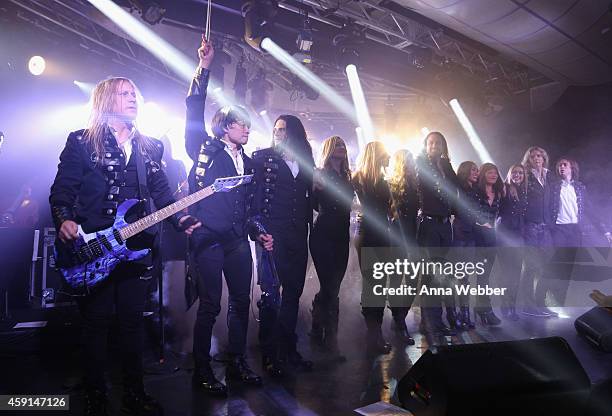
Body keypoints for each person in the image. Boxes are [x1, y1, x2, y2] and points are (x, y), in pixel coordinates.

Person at [49, 77, 200, 416]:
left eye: (135, 93)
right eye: (125, 93)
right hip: (94, 249)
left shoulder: (149, 146)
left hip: (135, 248)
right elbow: (62, 190)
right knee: (97, 323)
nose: (133, 98)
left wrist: (181, 220)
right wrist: (64, 219)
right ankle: (95, 394)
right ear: (106, 100)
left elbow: (163, 195)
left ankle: (135, 392)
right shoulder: (81, 142)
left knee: (132, 322)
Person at [184, 38, 271, 394]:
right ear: (224, 126)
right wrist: (203, 69)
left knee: (239, 302)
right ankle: (202, 371)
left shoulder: (248, 163)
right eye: (240, 124)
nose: (247, 129)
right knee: (209, 306)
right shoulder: (204, 148)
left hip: (236, 241)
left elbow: (249, 209)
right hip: (208, 240)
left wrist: (259, 230)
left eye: (248, 125)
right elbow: (193, 109)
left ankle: (236, 363)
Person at [250, 114, 315, 376]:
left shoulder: (306, 162)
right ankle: (269, 354)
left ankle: (288, 349)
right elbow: (253, 200)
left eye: (284, 129)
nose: (278, 133)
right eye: (276, 129)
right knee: (270, 297)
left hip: (299, 235)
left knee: (293, 294)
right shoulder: (261, 158)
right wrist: (258, 232)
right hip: (272, 236)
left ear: (295, 133)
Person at [309, 136, 354, 358]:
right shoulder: (319, 173)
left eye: (343, 145)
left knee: (332, 286)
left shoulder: (348, 176)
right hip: (323, 235)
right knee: (331, 287)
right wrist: (315, 188)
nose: (341, 148)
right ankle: (331, 340)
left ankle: (317, 325)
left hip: (341, 236)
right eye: (337, 145)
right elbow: (312, 206)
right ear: (328, 149)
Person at [415, 132, 459, 340]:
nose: (434, 145)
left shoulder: (446, 165)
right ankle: (432, 322)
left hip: (445, 224)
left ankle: (431, 320)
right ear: (425, 145)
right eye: (431, 142)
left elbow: (459, 188)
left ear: (443, 145)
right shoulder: (420, 163)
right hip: (429, 223)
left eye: (438, 142)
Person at [353, 141, 396, 353]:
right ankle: (373, 335)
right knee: (373, 284)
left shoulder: (382, 180)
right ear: (376, 154)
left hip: (381, 234)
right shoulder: (358, 179)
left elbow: (389, 210)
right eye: (384, 153)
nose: (387, 156)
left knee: (378, 285)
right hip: (367, 233)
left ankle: (375, 333)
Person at [536, 157, 586, 312]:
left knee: (568, 268)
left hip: (575, 231)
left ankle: (560, 301)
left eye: (565, 165)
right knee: (553, 265)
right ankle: (539, 300)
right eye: (559, 166)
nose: (561, 167)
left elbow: (587, 208)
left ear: (572, 168)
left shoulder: (579, 187)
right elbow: (545, 207)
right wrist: (547, 227)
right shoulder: (553, 186)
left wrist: (604, 229)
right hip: (558, 229)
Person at [519, 146, 554, 317]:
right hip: (530, 226)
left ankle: (541, 303)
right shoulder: (525, 176)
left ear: (544, 158)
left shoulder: (548, 176)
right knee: (531, 266)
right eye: (533, 156)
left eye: (540, 155)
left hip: (545, 227)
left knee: (548, 266)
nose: (537, 158)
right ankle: (528, 305)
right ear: (528, 159)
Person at [387, 149, 418, 344]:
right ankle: (399, 322)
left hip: (412, 234)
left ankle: (399, 316)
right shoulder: (389, 184)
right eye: (405, 159)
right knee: (397, 280)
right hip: (395, 234)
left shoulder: (416, 184)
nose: (409, 162)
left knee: (413, 280)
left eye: (411, 158)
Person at [473, 163, 503, 326]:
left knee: (485, 276)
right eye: (490, 172)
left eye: (496, 173)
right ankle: (484, 309)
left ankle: (482, 307)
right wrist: (480, 224)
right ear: (483, 174)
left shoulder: (498, 193)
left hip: (491, 237)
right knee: (480, 276)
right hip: (477, 236)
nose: (493, 175)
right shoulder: (476, 192)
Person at [451, 161, 480, 329]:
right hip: (460, 235)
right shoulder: (458, 189)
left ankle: (465, 313)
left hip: (471, 237)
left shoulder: (476, 190)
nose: (477, 172)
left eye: (477, 170)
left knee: (465, 278)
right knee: (457, 277)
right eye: (473, 170)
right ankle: (454, 314)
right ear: (465, 171)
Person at [498, 164, 527, 321]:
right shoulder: (504, 189)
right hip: (505, 235)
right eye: (515, 172)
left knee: (516, 273)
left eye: (520, 173)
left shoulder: (524, 191)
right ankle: (505, 306)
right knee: (506, 273)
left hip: (519, 237)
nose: (518, 175)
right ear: (510, 174)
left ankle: (512, 307)